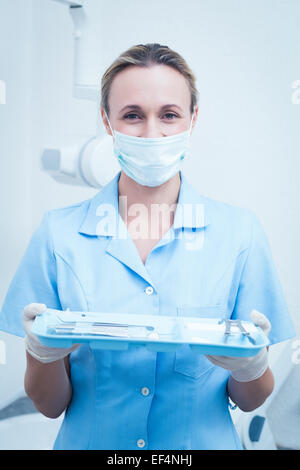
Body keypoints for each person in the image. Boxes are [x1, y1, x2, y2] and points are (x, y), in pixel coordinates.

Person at [0, 43, 295, 450]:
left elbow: (249, 399)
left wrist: (251, 368)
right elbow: (50, 406)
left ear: (193, 120)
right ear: (107, 121)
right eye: (133, 115)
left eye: (170, 115)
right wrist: (42, 355)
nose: (152, 132)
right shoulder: (58, 235)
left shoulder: (239, 234)